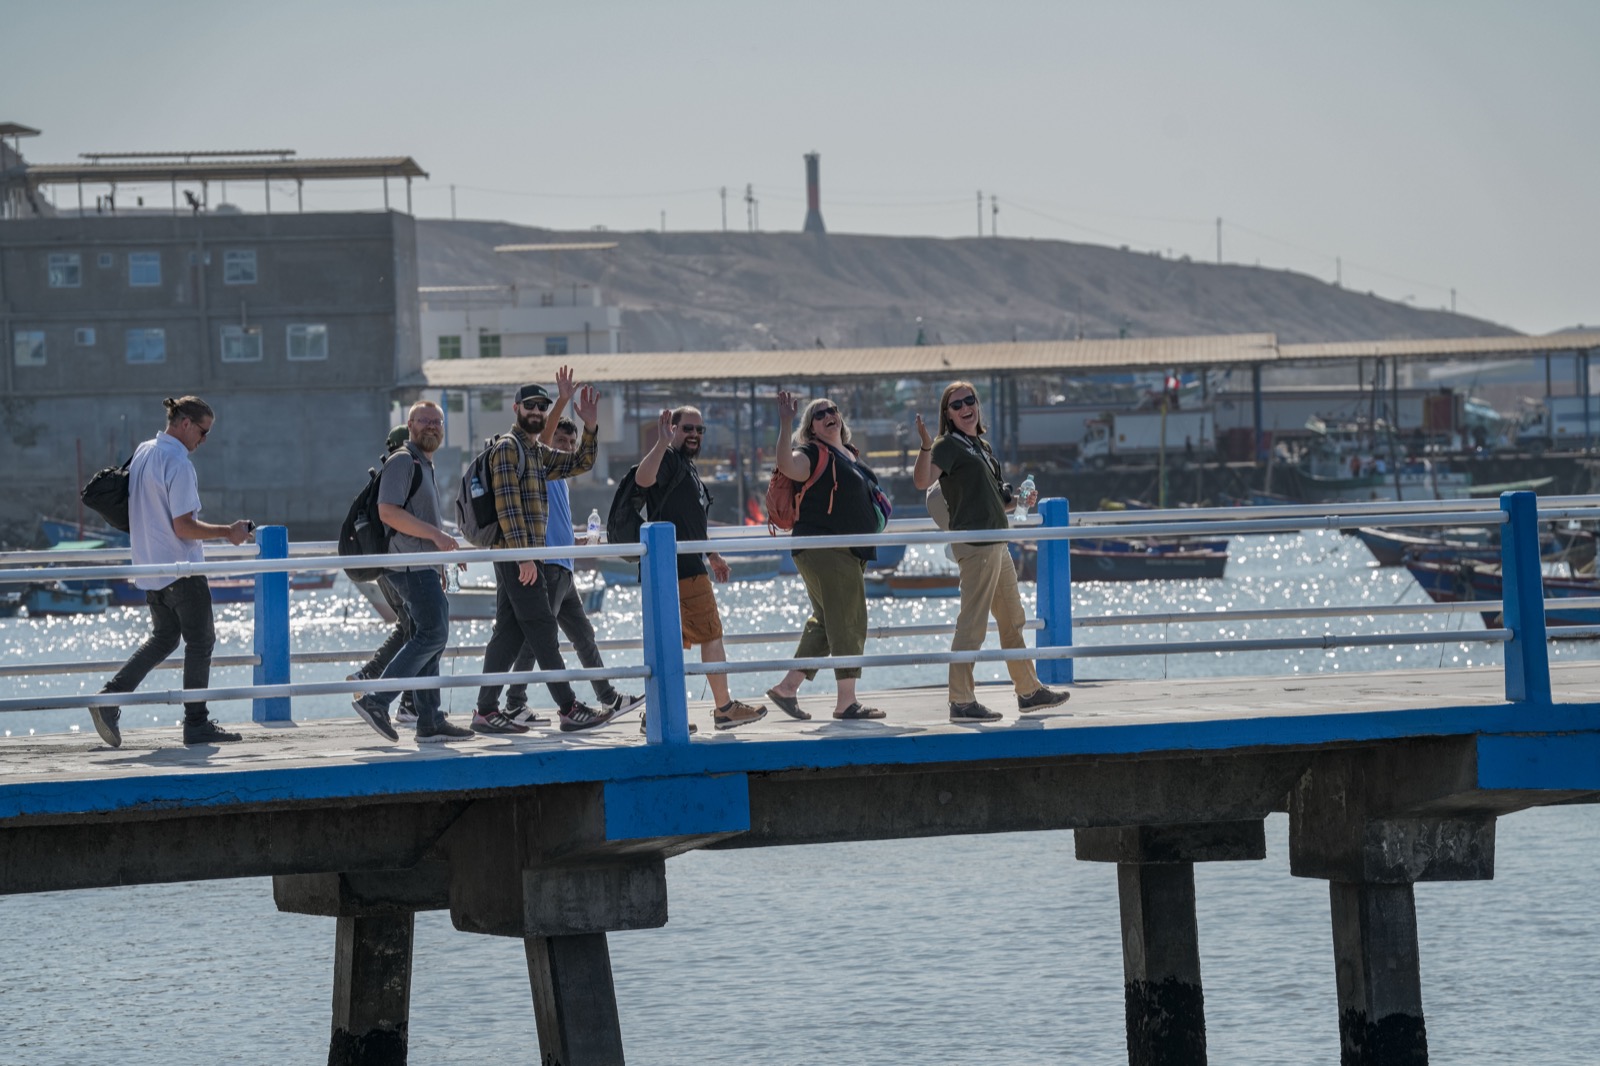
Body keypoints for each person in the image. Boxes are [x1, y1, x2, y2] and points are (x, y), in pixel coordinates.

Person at [89, 396, 254, 747]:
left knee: (165, 638)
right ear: (185, 423)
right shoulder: (178, 463)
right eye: (203, 432)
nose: (204, 441)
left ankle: (109, 698)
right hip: (182, 569)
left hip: (150, 567)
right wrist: (228, 531)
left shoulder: (144, 451)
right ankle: (196, 724)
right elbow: (183, 526)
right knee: (201, 642)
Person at [912, 381, 1072, 723]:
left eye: (969, 400)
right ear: (947, 414)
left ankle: (1028, 691)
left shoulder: (981, 447)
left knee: (1013, 619)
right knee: (972, 623)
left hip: (997, 542)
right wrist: (925, 446)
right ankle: (960, 700)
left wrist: (1020, 501)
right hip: (976, 544)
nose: (965, 408)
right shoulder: (946, 445)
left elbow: (999, 500)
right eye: (956, 405)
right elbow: (923, 482)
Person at [496, 367, 645, 725]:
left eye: (569, 443)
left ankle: (608, 697)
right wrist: (562, 400)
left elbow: (555, 519)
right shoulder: (539, 464)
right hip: (547, 566)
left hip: (564, 566)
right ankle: (514, 701)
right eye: (559, 441)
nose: (563, 447)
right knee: (537, 639)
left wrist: (573, 540)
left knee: (583, 636)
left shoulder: (561, 478)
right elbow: (542, 439)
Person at [473, 381, 616, 734]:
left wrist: (590, 425)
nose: (536, 412)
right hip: (519, 556)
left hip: (526, 556)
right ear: (516, 409)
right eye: (530, 406)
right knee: (542, 627)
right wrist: (524, 557)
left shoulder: (536, 452)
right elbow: (507, 506)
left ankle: (485, 711)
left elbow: (581, 462)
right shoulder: (509, 448)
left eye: (542, 407)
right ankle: (568, 707)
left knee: (508, 635)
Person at [349, 401, 476, 744]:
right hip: (408, 565)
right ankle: (377, 701)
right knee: (433, 634)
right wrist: (437, 537)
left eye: (437, 422)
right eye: (424, 421)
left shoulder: (423, 463)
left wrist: (441, 557)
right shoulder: (403, 461)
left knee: (428, 636)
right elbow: (388, 512)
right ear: (409, 425)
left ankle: (430, 720)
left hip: (422, 565)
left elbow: (419, 519)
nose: (431, 426)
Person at [635, 406, 766, 731]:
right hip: (683, 570)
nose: (694, 434)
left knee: (668, 644)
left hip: (674, 567)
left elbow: (690, 521)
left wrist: (713, 555)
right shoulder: (667, 458)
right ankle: (724, 709)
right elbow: (643, 479)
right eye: (687, 428)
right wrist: (662, 443)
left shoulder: (685, 466)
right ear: (673, 429)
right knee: (711, 634)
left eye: (699, 430)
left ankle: (655, 715)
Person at [763, 392, 884, 721]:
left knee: (828, 621)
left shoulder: (848, 454)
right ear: (811, 428)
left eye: (832, 409)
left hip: (845, 551)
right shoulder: (812, 452)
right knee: (848, 621)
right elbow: (787, 465)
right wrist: (785, 423)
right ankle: (846, 702)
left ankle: (787, 688)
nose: (828, 415)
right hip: (826, 548)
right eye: (819, 414)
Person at [348, 425, 420, 724]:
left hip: (383, 567)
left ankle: (374, 677)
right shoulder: (403, 476)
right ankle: (406, 702)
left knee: (410, 628)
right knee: (420, 631)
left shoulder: (383, 477)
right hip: (402, 566)